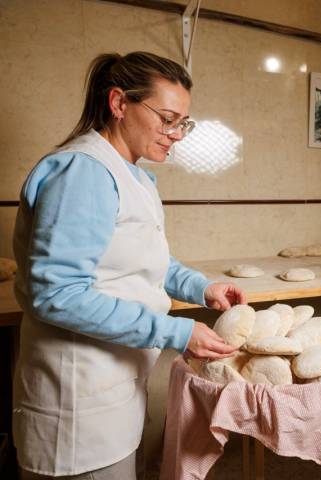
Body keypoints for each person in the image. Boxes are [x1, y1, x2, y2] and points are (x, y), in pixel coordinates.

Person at [12, 51, 244, 479]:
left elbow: (141, 259)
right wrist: (177, 331)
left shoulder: (132, 174)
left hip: (113, 392)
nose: (176, 135)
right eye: (168, 119)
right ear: (119, 104)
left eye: (183, 124)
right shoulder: (83, 173)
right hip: (77, 404)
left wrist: (200, 287)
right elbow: (57, 294)